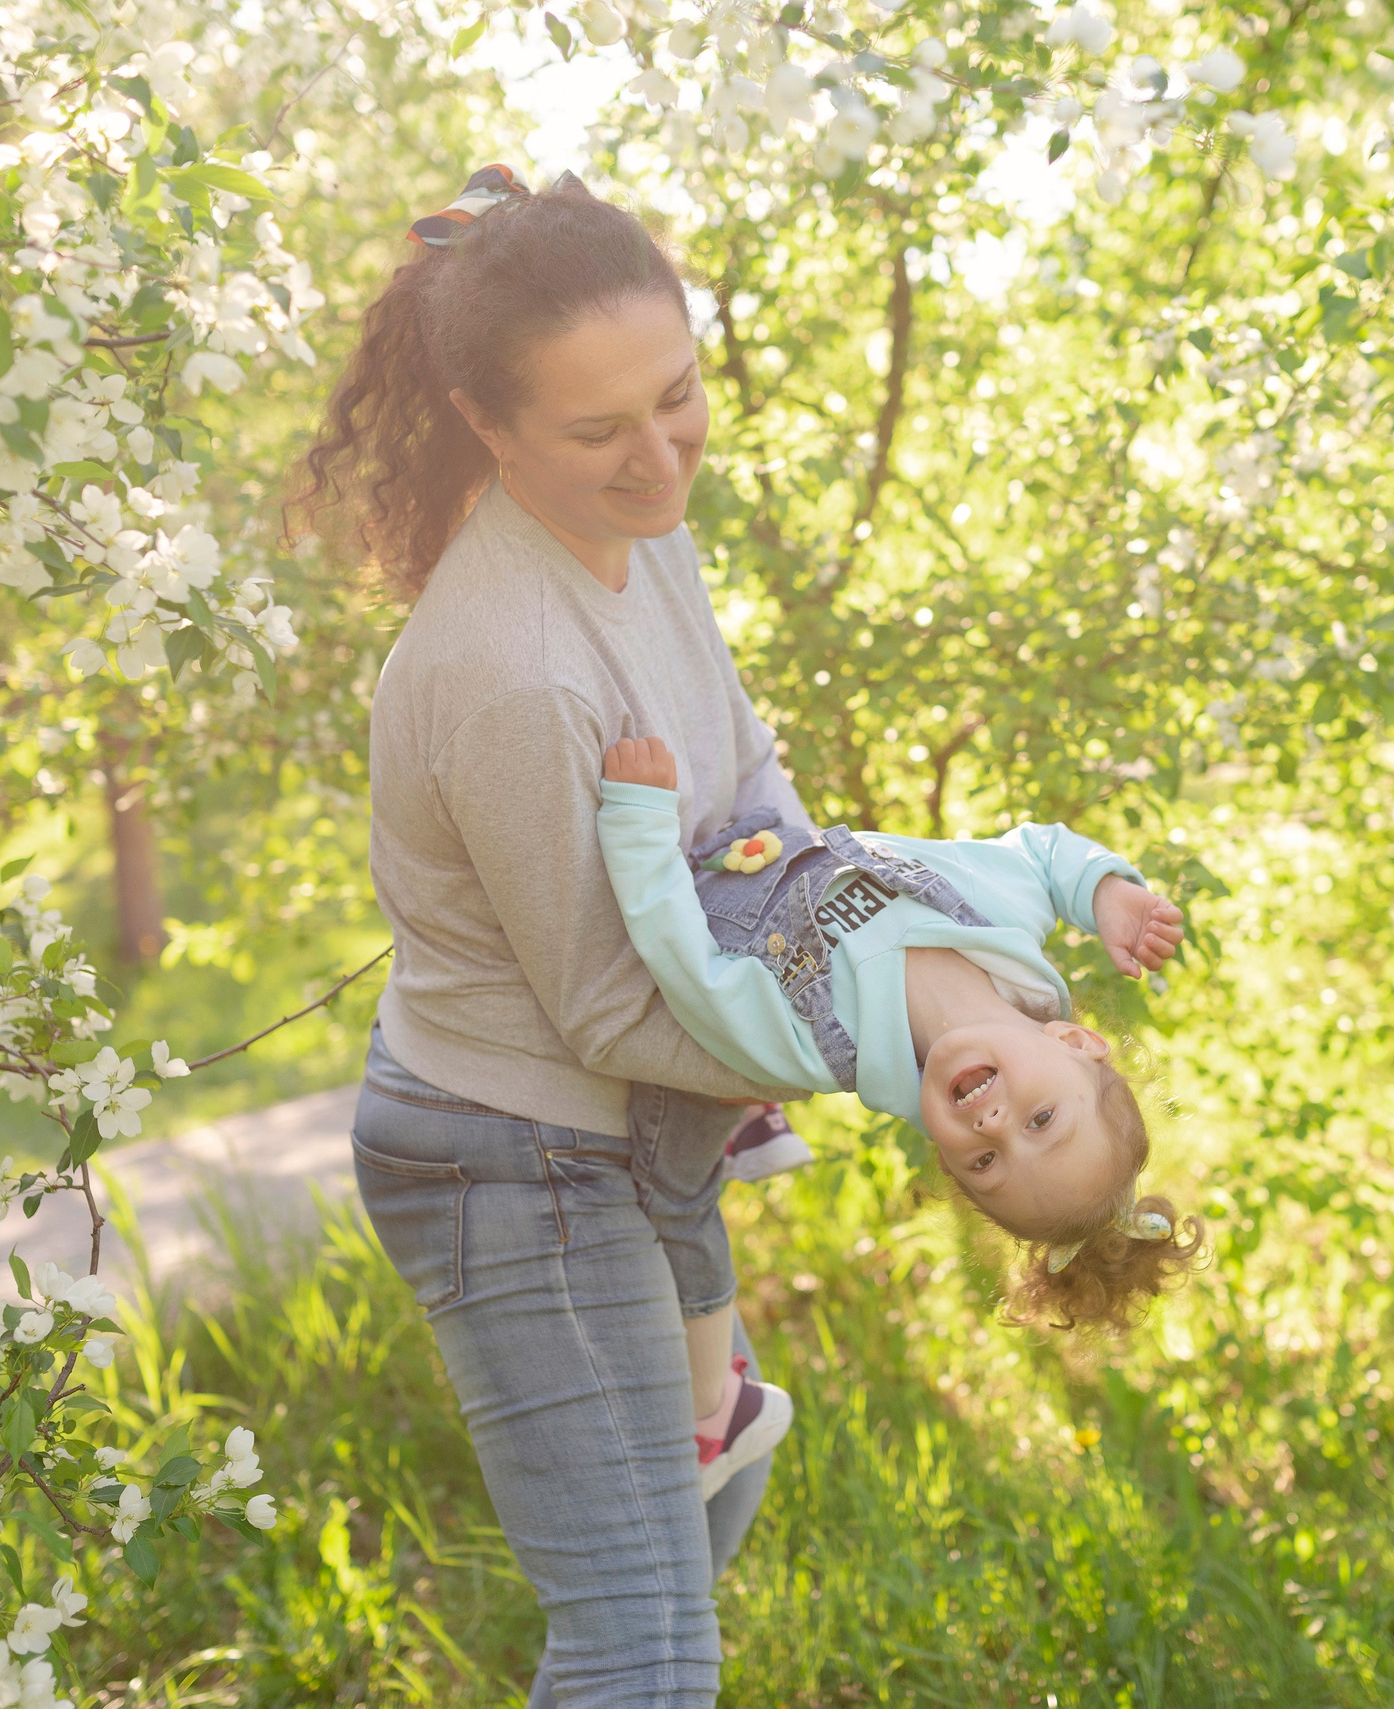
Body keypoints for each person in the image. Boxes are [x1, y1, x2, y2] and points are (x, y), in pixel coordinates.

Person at [300, 164, 803, 1706]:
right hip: (512, 1160)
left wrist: (901, 932)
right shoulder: (511, 669)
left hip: (627, 1141)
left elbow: (749, 776)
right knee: (644, 1645)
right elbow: (601, 1006)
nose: (659, 458)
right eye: (599, 431)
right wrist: (873, 1048)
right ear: (487, 423)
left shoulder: (647, 535)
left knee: (697, 1528)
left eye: (679, 395)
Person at [594, 734, 1207, 1338]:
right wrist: (1106, 892)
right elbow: (1041, 856)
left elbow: (686, 965)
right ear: (1074, 1042)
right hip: (749, 810)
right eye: (1041, 1121)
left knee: (672, 1185)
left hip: (675, 846)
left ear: (945, 1155)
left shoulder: (819, 1043)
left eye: (985, 1160)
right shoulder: (1005, 915)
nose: (994, 1125)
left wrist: (641, 824)